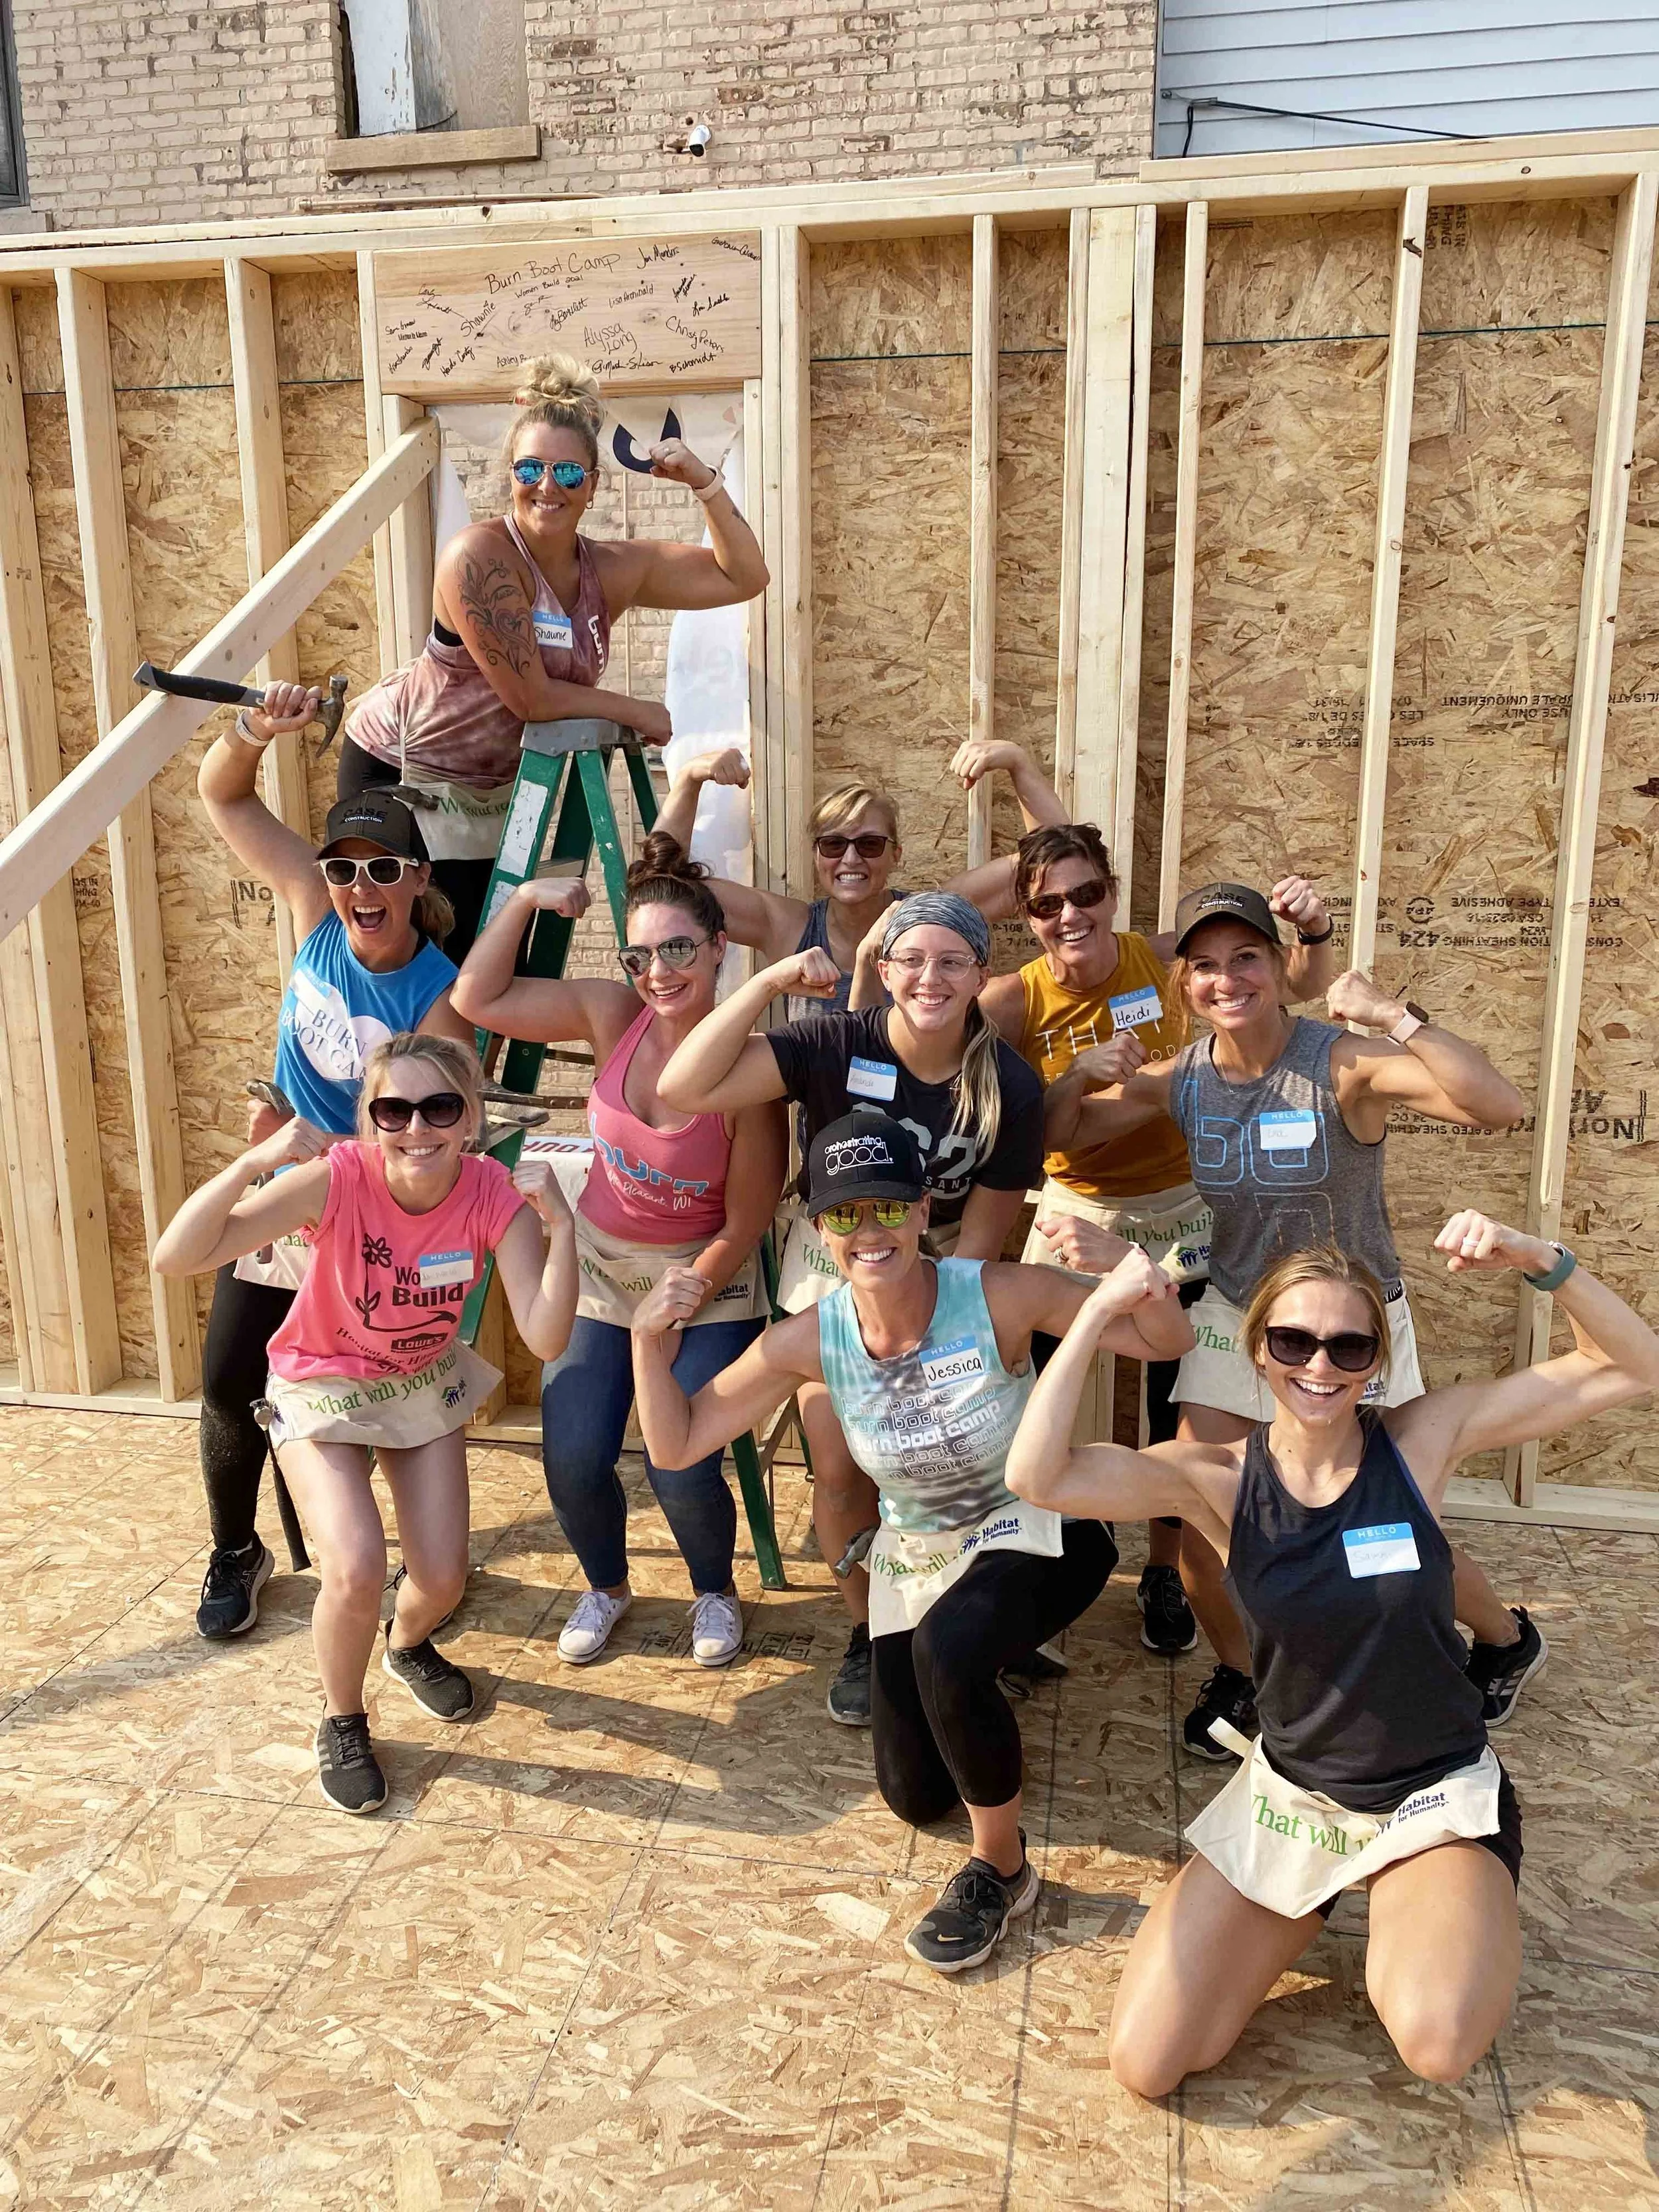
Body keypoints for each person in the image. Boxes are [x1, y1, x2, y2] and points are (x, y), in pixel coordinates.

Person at [1007, 1214, 1659, 2089]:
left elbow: (1631, 1365)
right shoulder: (1216, 1478)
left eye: (1349, 1347)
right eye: (1295, 1339)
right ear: (1260, 1350)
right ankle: (1311, 1896)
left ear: (1375, 1363)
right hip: (1298, 1793)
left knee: (1436, 2040)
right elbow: (1037, 1477)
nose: (1320, 1365)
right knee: (1147, 2063)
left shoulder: (1418, 1444)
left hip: (1429, 1792)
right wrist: (1099, 1310)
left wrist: (1541, 1259)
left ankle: (1441, 1884)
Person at [631, 1109, 1195, 1971]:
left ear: (924, 1210)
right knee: (914, 1795)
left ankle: (1001, 1869)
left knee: (950, 1648)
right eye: (847, 1213)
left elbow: (1170, 1338)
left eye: (889, 1207)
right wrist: (645, 1341)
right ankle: (980, 1664)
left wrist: (1127, 1267)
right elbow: (676, 1445)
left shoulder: (996, 1294)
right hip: (925, 1553)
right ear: (821, 1229)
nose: (870, 1230)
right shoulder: (811, 1340)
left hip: (1047, 1526)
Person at [1043, 880, 1542, 1758]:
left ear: (1279, 968)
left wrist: (1395, 1016)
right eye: (1204, 965)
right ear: (1185, 985)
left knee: (1382, 1530)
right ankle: (1248, 1677)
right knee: (1198, 1520)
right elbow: (1066, 1135)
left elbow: (1499, 1105)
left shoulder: (1338, 1063)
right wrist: (1076, 1076)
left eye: (1245, 957)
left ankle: (1505, 1638)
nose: (1225, 978)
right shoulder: (1186, 1076)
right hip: (1241, 1317)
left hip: (1350, 1329)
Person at [154, 1035, 578, 1814]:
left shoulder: (490, 1193)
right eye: (393, 1109)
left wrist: (563, 1227)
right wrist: (257, 1163)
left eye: (439, 1107)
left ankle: (407, 1644)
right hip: (320, 1384)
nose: (416, 1128)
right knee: (352, 1565)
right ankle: (342, 1717)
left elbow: (547, 1336)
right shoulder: (338, 1178)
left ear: (471, 1118)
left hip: (419, 1382)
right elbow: (175, 1257)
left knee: (443, 1578)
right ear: (370, 1121)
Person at [657, 891, 1048, 1724]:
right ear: (883, 965)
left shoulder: (1008, 1081)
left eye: (951, 961)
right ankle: (869, 1634)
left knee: (949, 1459)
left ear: (981, 974)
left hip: (943, 1273)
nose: (929, 978)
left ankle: (961, 1625)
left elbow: (982, 1235)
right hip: (832, 1256)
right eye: (910, 959)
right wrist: (764, 987)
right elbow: (683, 1087)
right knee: (838, 1464)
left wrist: (925, 1334)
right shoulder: (835, 1041)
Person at [974, 823, 1337, 1660]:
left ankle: (1166, 1569)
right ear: (1026, 916)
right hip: (1079, 1210)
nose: (1072, 915)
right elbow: (1026, 1136)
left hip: (1186, 1205)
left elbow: (1299, 984)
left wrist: (1313, 932)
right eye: (1048, 903)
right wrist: (1075, 1076)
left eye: (1087, 894)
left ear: (1111, 890)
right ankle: (1037, 1564)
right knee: (1027, 1389)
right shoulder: (1012, 1001)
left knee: (1183, 1397)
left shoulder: (1162, 957)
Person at [450, 833, 788, 1668]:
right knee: (571, 1453)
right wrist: (527, 899)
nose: (659, 972)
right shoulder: (613, 1016)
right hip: (602, 1268)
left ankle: (713, 1589)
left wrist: (679, 1299)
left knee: (677, 1461)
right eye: (641, 955)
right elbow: (476, 994)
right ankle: (606, 1585)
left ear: (718, 949)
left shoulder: (751, 1067)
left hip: (701, 1275)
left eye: (679, 949)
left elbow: (744, 1224)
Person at [191, 680, 474, 1644]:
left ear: (416, 880)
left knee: (371, 1397)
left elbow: (421, 1132)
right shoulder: (315, 912)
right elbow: (225, 798)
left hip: (362, 1219)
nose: (359, 887)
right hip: (287, 1193)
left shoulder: (440, 996)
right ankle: (237, 1550)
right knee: (230, 1376)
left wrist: (322, 1156)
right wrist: (252, 732)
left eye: (382, 869)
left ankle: (401, 1575)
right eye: (344, 868)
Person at [338, 355, 769, 957]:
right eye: (530, 468)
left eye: (569, 471)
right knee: (425, 968)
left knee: (489, 966)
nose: (549, 485)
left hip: (495, 792)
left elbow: (744, 576)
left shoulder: (608, 570)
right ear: (508, 476)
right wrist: (634, 710)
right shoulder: (479, 557)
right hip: (407, 772)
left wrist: (706, 483)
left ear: (593, 484)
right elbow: (532, 697)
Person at [654, 740, 1066, 1017]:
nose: (851, 858)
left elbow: (1060, 865)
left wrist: (1018, 763)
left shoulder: (930, 920)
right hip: (829, 1140)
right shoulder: (789, 927)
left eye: (869, 845)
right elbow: (660, 889)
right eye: (833, 845)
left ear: (895, 855)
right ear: (817, 856)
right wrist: (690, 780)